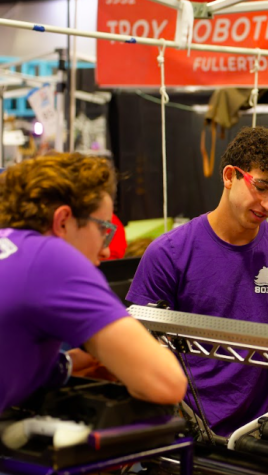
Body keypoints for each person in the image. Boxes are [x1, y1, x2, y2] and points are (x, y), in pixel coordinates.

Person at [127, 126, 268, 437]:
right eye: (261, 186)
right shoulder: (169, 254)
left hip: (255, 433)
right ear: (230, 176)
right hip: (181, 427)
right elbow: (146, 354)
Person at [0, 153, 187, 415]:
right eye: (103, 229)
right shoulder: (50, 257)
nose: (106, 251)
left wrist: (70, 363)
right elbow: (168, 383)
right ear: (63, 220)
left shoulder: (11, 247)